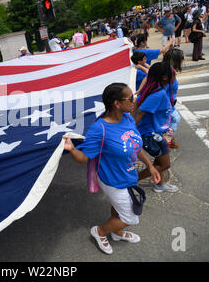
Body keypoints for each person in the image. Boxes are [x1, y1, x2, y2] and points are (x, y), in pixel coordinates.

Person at [62, 83, 160, 255]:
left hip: (128, 176)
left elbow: (135, 146)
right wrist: (71, 149)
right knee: (130, 217)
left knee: (118, 208)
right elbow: (84, 157)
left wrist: (150, 165)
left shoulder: (127, 118)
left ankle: (116, 232)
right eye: (130, 98)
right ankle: (99, 232)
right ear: (116, 103)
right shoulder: (99, 129)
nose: (134, 101)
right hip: (113, 180)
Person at [133, 62, 179, 193]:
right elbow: (140, 112)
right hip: (153, 135)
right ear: (165, 77)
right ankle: (131, 182)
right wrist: (130, 131)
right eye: (173, 73)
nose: (175, 74)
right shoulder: (157, 94)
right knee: (165, 164)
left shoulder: (155, 88)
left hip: (159, 132)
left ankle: (159, 185)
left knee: (159, 162)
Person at [162, 49, 184, 148]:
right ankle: (166, 143)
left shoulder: (168, 70)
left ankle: (169, 140)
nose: (183, 59)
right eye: (181, 58)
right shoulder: (169, 73)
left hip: (169, 103)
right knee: (174, 119)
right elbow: (162, 90)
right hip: (165, 104)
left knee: (171, 121)